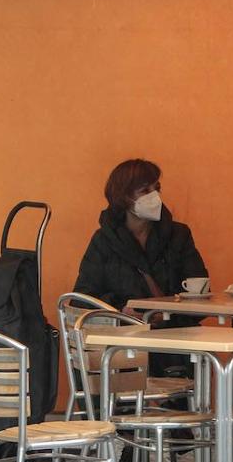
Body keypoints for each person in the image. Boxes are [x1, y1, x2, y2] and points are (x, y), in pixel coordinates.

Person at [74, 158, 208, 377]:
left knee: (187, 353)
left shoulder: (179, 235)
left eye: (157, 188)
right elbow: (81, 298)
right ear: (124, 197)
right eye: (145, 190)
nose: (154, 196)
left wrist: (168, 313)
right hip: (123, 337)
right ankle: (127, 407)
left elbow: (200, 288)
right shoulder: (103, 241)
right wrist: (120, 310)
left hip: (174, 332)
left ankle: (179, 406)